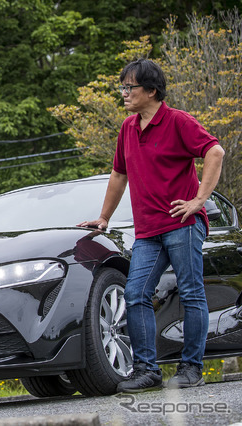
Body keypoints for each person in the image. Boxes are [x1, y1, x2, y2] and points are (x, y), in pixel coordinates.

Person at [78, 59, 225, 393]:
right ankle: (146, 370)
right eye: (123, 87)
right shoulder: (128, 128)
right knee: (136, 293)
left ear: (151, 90)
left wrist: (199, 201)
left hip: (182, 224)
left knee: (190, 292)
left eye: (130, 87)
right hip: (147, 231)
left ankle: (191, 368)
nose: (124, 93)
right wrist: (104, 217)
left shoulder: (179, 122)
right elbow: (119, 174)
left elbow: (215, 152)